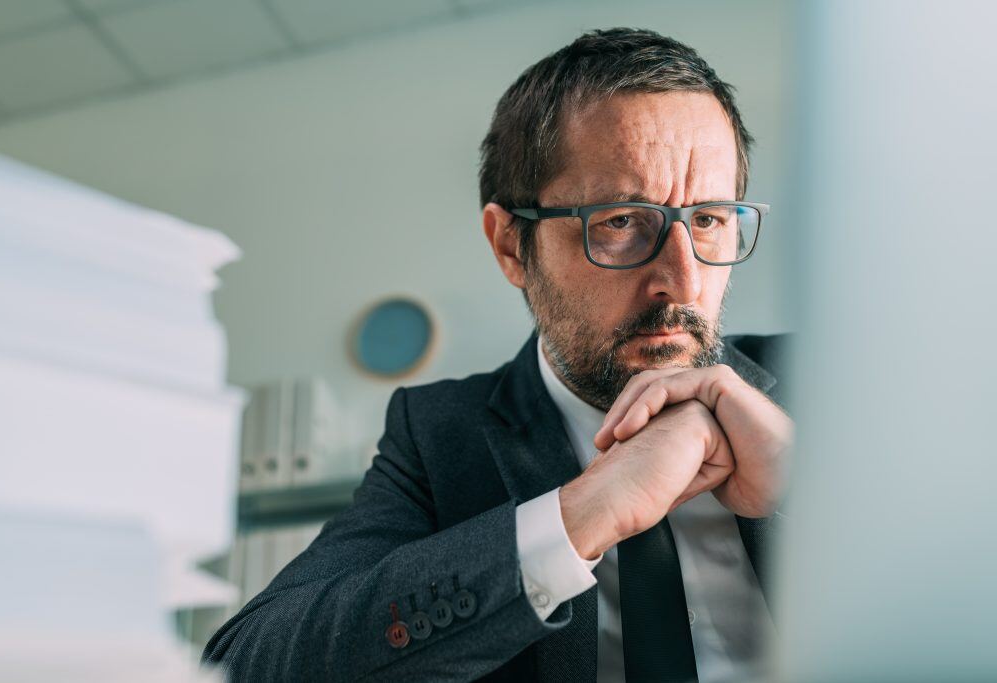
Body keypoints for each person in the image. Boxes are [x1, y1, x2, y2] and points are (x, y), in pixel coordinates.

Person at [202, 27, 794, 683]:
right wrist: (578, 517)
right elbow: (245, 663)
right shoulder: (439, 437)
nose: (682, 283)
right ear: (512, 245)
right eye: (621, 221)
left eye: (708, 219)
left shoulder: (823, 378)